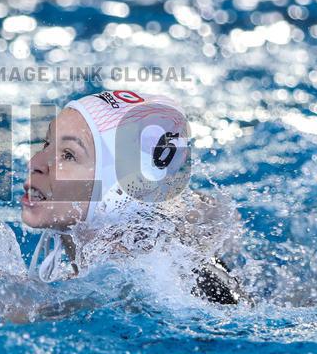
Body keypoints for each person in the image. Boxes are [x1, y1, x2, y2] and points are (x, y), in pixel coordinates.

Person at [20, 89, 246, 305]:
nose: (35, 163)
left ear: (116, 189)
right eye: (47, 144)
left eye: (68, 155)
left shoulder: (173, 288)